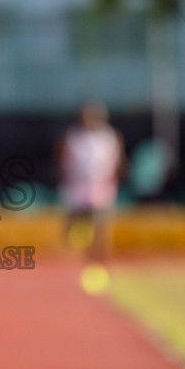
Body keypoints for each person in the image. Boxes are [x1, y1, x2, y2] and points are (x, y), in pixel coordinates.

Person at [57, 102, 124, 263]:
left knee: (101, 222)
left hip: (101, 185)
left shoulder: (110, 136)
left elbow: (118, 160)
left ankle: (99, 256)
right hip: (78, 184)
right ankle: (69, 256)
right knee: (72, 220)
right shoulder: (73, 136)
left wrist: (114, 178)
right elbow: (62, 158)